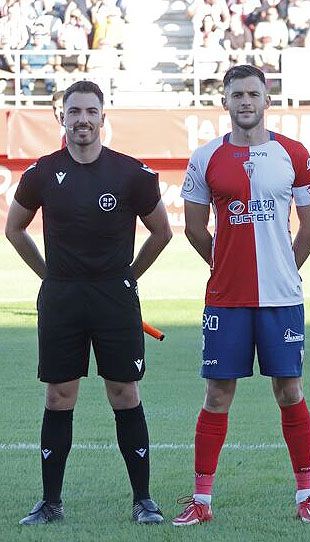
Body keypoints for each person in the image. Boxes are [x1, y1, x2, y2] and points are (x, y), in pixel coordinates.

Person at [5, 80, 173, 525]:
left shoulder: (131, 173)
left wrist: (127, 277)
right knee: (59, 396)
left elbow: (162, 232)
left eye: (90, 111)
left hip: (114, 299)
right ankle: (50, 503)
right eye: (73, 111)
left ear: (103, 117)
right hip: (62, 298)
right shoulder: (42, 172)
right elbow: (15, 229)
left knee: (124, 392)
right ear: (61, 117)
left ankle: (143, 500)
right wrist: (48, 275)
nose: (82, 119)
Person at [172, 65, 310, 526]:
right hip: (226, 298)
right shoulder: (204, 158)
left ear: (266, 100)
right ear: (224, 101)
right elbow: (195, 228)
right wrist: (223, 265)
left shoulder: (294, 154)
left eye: (253, 94)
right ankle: (201, 501)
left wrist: (285, 267)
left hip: (282, 298)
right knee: (217, 395)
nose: (245, 101)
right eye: (236, 94)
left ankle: (305, 496)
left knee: (290, 391)